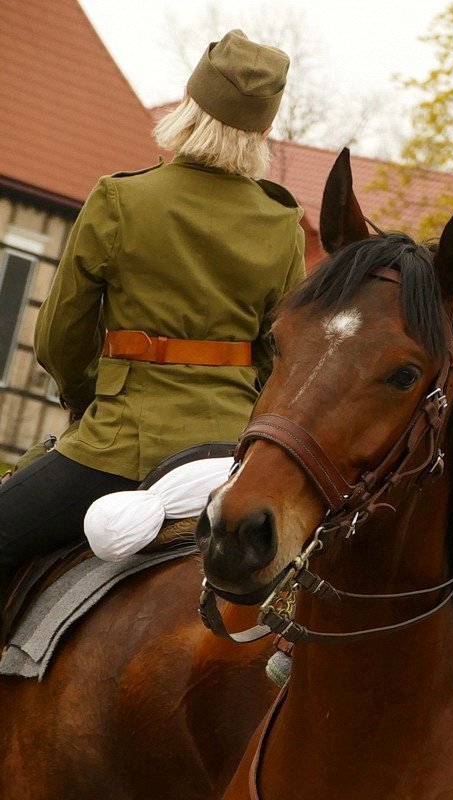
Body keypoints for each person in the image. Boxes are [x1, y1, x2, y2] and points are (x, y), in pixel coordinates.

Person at [0, 30, 305, 598]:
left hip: (120, 444)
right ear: (264, 131)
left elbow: (59, 338)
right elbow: (279, 356)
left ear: (188, 108)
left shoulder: (121, 200)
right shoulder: (281, 224)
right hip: (228, 459)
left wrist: (88, 396)